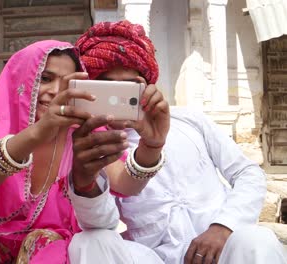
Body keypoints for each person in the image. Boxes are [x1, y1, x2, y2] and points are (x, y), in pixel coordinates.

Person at [68, 20, 287, 264]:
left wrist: (223, 227)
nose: (119, 96)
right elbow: (101, 224)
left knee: (258, 240)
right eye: (108, 87)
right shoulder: (92, 144)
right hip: (153, 257)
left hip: (223, 250)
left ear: (146, 86)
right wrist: (88, 181)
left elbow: (248, 173)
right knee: (88, 242)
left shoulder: (189, 120)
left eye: (129, 86)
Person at [0, 40, 167, 264]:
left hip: (48, 247)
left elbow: (124, 184)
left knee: (45, 241)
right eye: (45, 78)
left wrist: (152, 145)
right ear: (21, 79)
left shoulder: (81, 129)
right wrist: (37, 133)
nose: (55, 91)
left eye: (66, 83)